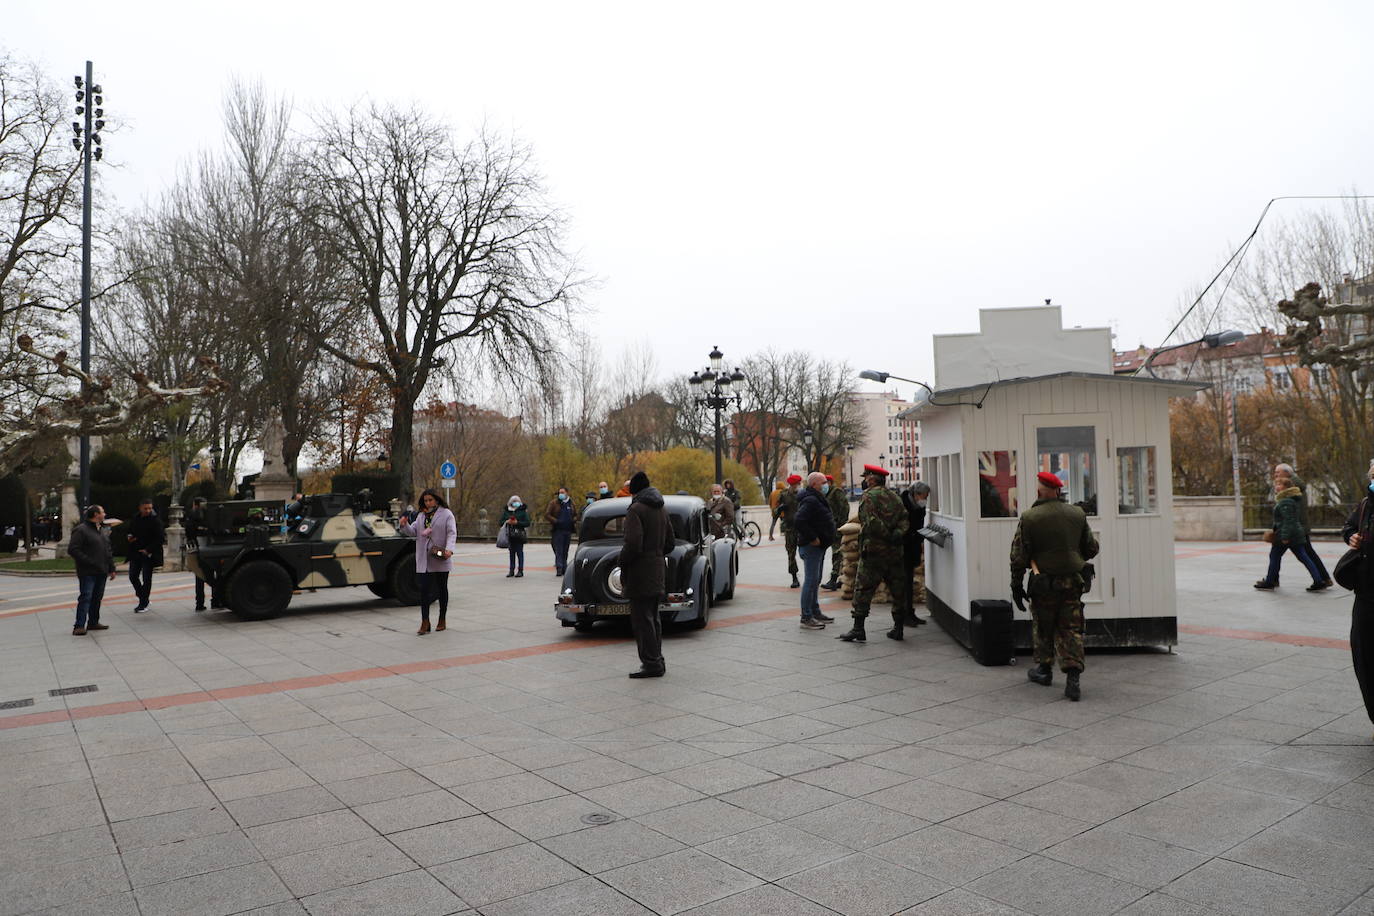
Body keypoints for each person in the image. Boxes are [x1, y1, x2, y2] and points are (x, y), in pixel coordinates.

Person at [1011, 472, 1100, 701]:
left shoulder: (1030, 517)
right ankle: (1073, 678)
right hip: (1072, 582)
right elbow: (1091, 548)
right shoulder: (1077, 514)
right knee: (1071, 628)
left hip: (1044, 583)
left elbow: (1019, 556)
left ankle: (1044, 670)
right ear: (1059, 491)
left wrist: (1016, 585)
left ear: (1039, 491)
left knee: (1043, 626)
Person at [838, 464, 910, 642]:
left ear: (871, 478)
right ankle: (898, 628)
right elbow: (904, 519)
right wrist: (897, 535)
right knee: (898, 590)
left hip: (874, 552)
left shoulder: (868, 497)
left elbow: (870, 522)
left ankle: (858, 629)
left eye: (866, 477)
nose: (864, 481)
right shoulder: (895, 496)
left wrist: (885, 536)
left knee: (863, 589)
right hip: (895, 552)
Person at [620, 470, 675, 678]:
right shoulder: (661, 508)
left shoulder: (636, 509)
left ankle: (651, 663)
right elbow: (670, 542)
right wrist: (656, 555)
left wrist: (622, 560)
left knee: (642, 620)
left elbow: (633, 543)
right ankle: (657, 659)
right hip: (658, 569)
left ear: (634, 491)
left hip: (640, 572)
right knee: (653, 618)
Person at [1340, 460, 1374, 737]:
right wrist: (1351, 536)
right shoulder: (1365, 504)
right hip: (1366, 595)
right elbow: (1348, 527)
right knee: (1364, 656)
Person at [1254, 477, 1327, 591]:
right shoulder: (1291, 499)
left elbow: (1288, 520)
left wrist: (1285, 537)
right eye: (1276, 484)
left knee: (1275, 556)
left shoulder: (1285, 501)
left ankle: (1270, 581)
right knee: (1303, 557)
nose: (1276, 487)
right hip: (1295, 534)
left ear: (1286, 487)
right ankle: (1318, 580)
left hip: (1287, 535)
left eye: (1279, 485)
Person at [399, 488, 456, 635]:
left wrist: (449, 549)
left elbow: (451, 533)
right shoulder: (421, 516)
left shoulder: (446, 514)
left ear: (437, 499)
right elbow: (413, 532)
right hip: (424, 558)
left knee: (442, 589)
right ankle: (425, 622)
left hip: (439, 556)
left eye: (430, 500)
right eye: (425, 500)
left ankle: (442, 619)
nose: (428, 503)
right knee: (424, 590)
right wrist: (404, 525)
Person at [1274, 463, 1332, 586]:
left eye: (1278, 472)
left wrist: (1289, 531)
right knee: (1305, 554)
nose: (1275, 475)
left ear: (1287, 473)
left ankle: (1321, 579)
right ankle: (1323, 578)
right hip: (1298, 527)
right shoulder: (1296, 485)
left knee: (1303, 554)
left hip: (1295, 528)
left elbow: (1291, 511)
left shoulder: (1291, 486)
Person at [794, 472, 836, 630]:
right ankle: (806, 617)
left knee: (815, 580)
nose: (826, 485)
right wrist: (813, 538)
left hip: (819, 547)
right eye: (823, 482)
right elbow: (799, 520)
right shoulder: (811, 500)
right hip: (811, 546)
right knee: (811, 581)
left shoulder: (816, 498)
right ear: (814, 485)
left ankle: (815, 612)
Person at [68, 504, 116, 636]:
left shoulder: (101, 530)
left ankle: (93, 622)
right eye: (103, 512)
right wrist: (89, 561)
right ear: (96, 515)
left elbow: (107, 550)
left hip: (102, 570)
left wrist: (111, 567)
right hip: (87, 571)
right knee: (86, 597)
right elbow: (73, 549)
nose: (105, 514)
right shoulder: (81, 530)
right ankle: (79, 625)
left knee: (97, 598)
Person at [896, 482, 931, 626]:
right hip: (904, 549)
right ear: (916, 494)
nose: (925, 499)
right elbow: (903, 528)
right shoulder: (903, 505)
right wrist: (914, 536)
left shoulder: (917, 506)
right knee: (905, 582)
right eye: (924, 496)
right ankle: (904, 615)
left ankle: (910, 612)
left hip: (912, 547)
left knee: (909, 581)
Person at [184, 496, 225, 611]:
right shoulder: (209, 516)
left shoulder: (191, 516)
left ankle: (200, 603)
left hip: (198, 548)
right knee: (215, 575)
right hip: (211, 547)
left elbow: (189, 533)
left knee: (200, 576)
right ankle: (216, 600)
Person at [125, 498, 165, 612]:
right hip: (136, 551)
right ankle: (143, 596)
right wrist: (130, 536)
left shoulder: (155, 520)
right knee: (133, 576)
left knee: (147, 578)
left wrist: (148, 550)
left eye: (150, 508)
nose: (148, 510)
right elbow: (130, 530)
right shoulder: (136, 518)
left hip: (149, 554)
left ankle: (143, 603)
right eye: (145, 508)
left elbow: (160, 538)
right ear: (140, 508)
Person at [770, 474, 802, 588]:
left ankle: (810, 576)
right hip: (790, 528)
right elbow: (774, 512)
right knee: (791, 553)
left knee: (807, 553)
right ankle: (794, 577)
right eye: (794, 485)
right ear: (790, 485)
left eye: (798, 484)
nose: (796, 486)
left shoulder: (804, 495)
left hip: (804, 528)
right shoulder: (783, 495)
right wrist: (779, 509)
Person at [822, 474, 849, 591]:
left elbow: (845, 508)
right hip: (829, 528)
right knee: (838, 554)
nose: (824, 485)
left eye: (826, 482)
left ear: (830, 482)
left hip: (837, 528)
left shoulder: (836, 492)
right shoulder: (824, 494)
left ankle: (834, 579)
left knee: (837, 554)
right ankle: (842, 579)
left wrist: (840, 524)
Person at [544, 487, 579, 576]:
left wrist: (573, 520)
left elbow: (576, 515)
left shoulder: (571, 503)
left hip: (568, 530)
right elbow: (547, 514)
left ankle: (564, 567)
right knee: (559, 549)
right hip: (558, 530)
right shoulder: (554, 503)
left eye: (562, 492)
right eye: (559, 492)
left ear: (567, 493)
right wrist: (556, 521)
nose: (561, 494)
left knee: (565, 550)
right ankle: (559, 567)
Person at [500, 495, 530, 577]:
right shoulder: (507, 511)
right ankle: (511, 570)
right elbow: (500, 522)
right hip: (510, 535)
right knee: (511, 553)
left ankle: (520, 570)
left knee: (520, 553)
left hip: (519, 535)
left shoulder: (522, 511)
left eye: (517, 501)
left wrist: (517, 523)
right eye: (513, 501)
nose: (515, 503)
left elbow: (527, 523)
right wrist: (507, 521)